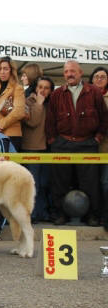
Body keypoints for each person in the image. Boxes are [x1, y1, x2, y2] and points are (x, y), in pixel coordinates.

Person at [46, 60, 108, 226]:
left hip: (87, 144)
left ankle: (91, 215)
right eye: (66, 72)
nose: (69, 74)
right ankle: (60, 214)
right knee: (60, 183)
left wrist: (97, 138)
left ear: (81, 73)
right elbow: (50, 121)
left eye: (73, 71)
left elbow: (104, 118)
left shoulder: (93, 92)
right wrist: (54, 141)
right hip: (62, 144)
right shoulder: (57, 94)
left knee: (90, 183)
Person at [23, 76, 54, 223]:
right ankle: (32, 213)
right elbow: (33, 122)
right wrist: (39, 104)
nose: (42, 90)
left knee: (44, 183)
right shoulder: (28, 102)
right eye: (40, 87)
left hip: (48, 148)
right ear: (35, 88)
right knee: (33, 183)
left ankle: (42, 212)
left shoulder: (52, 104)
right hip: (32, 148)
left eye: (46, 88)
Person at [0, 56, 26, 151]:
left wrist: (0, 125)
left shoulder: (17, 88)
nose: (2, 72)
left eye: (5, 69)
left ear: (11, 71)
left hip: (11, 135)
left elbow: (19, 111)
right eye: (0, 69)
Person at [89, 67, 108, 229]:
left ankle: (104, 215)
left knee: (105, 183)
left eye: (103, 77)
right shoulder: (86, 96)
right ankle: (92, 214)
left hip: (105, 149)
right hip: (87, 148)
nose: (99, 79)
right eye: (96, 76)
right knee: (91, 184)